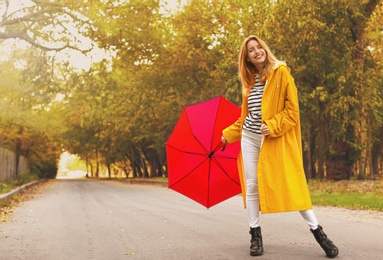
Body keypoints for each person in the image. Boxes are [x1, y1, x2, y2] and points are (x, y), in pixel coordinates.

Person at [221, 35, 339, 258]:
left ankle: (319, 232)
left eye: (259, 47)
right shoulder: (249, 82)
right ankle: (255, 235)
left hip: (272, 138)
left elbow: (292, 112)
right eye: (251, 50)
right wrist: (227, 135)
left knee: (292, 184)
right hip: (249, 137)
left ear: (265, 48)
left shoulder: (281, 72)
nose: (257, 51)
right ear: (246, 58)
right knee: (252, 185)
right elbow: (246, 117)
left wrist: (272, 126)